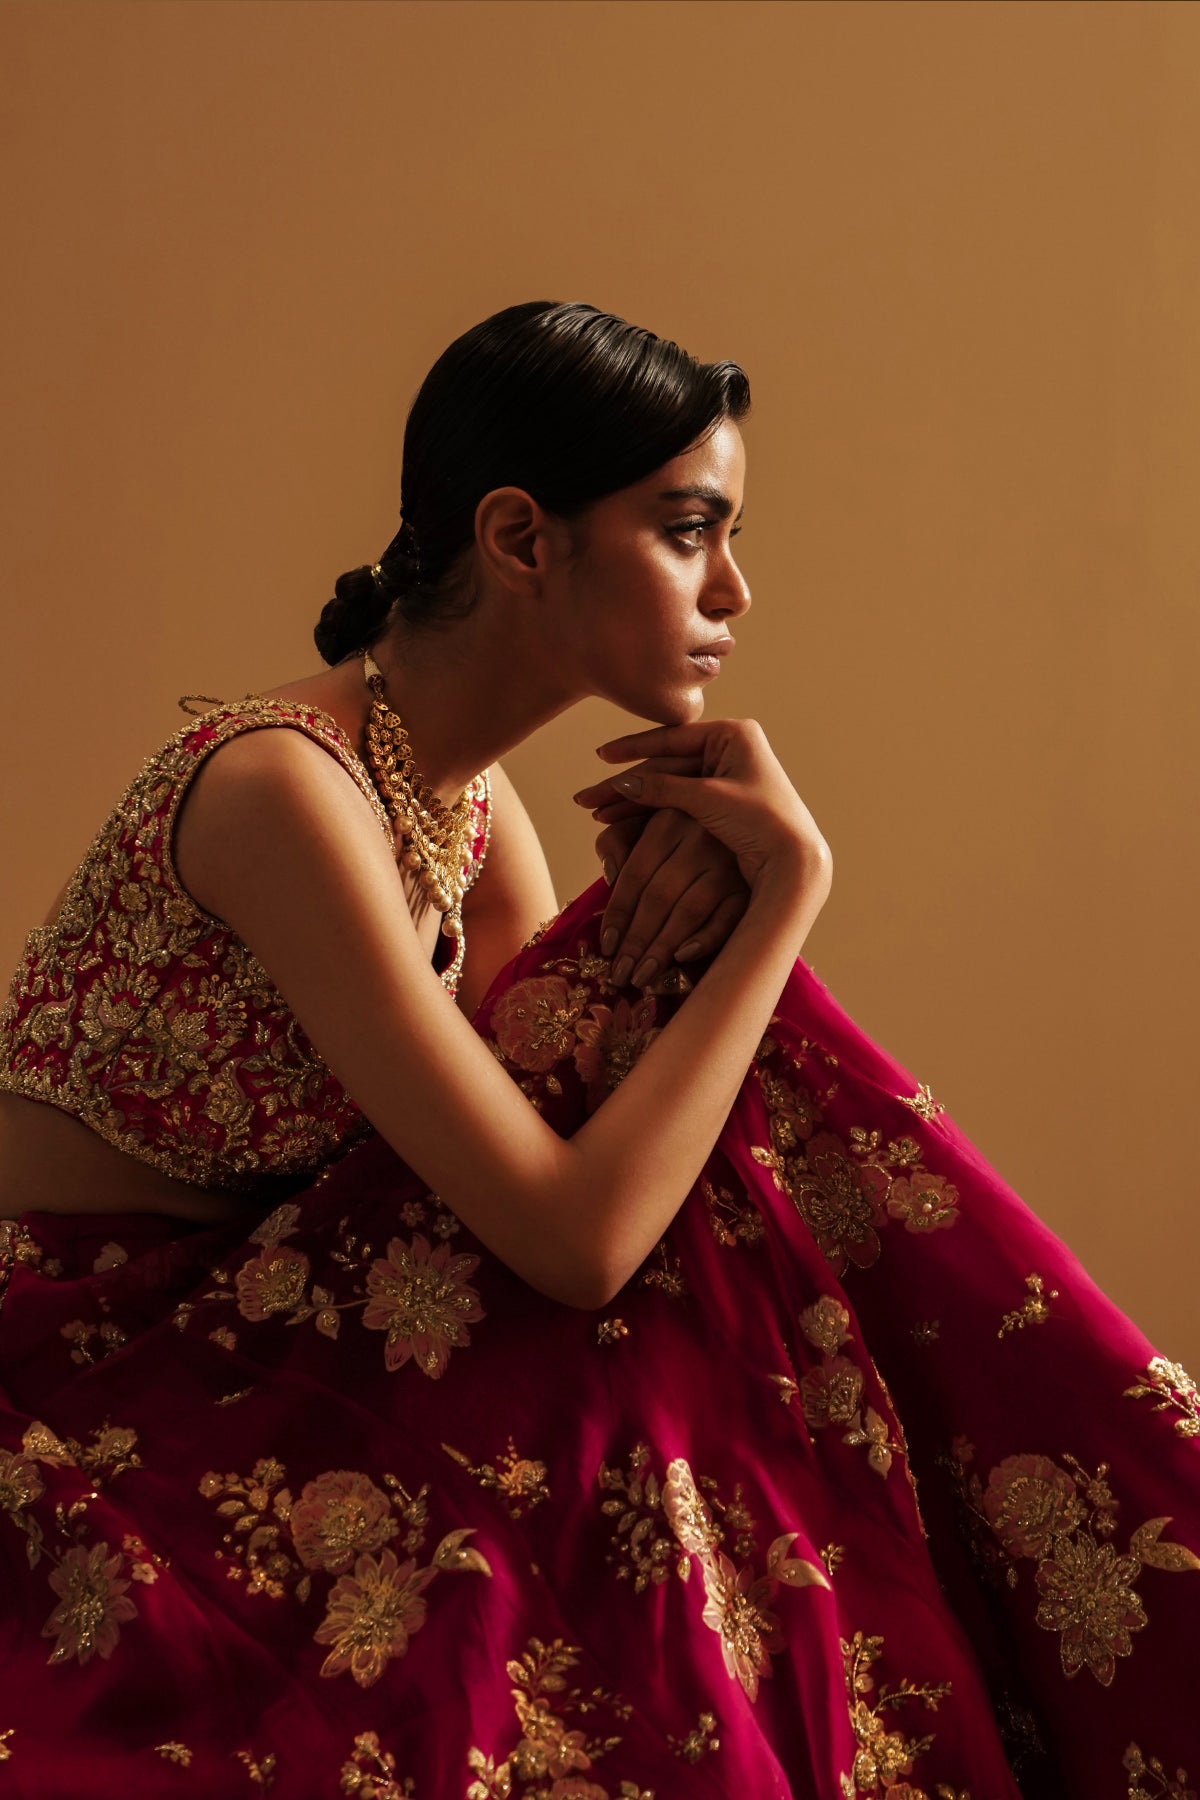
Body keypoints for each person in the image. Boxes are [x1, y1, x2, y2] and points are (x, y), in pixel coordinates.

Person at [0, 301, 1194, 1800]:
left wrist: (695, 932)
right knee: (676, 1109)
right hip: (87, 1380)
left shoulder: (470, 808)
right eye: (690, 529)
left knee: (673, 1127)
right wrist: (783, 904)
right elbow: (571, 1242)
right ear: (519, 538)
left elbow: (592, 1200)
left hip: (254, 1340)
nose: (736, 589)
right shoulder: (276, 792)